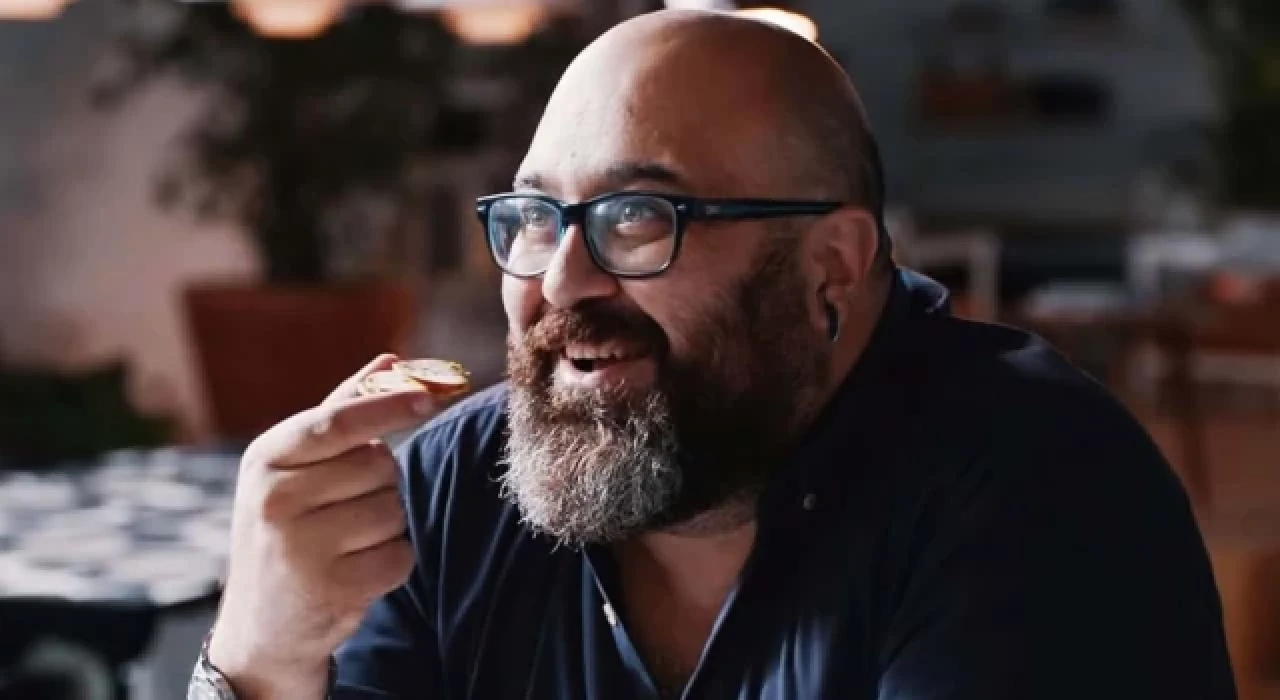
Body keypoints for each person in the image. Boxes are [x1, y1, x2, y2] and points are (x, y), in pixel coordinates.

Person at [189, 9, 1235, 700]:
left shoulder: (1036, 484)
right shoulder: (449, 490)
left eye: (639, 218)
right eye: (537, 218)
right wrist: (260, 662)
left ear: (830, 267)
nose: (563, 281)